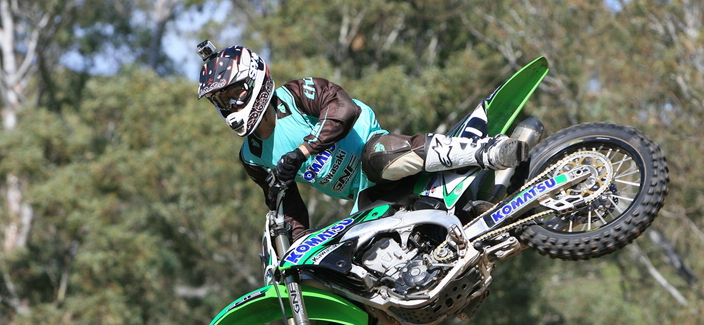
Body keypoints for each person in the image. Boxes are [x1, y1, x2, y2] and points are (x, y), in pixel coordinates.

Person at [196, 40, 528, 241]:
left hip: (378, 150)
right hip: (363, 195)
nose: (230, 106)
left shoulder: (296, 94)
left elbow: (345, 109)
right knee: (364, 253)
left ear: (254, 79)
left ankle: (489, 151)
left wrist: (302, 151)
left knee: (378, 158)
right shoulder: (252, 157)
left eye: (234, 94)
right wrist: (299, 246)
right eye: (221, 101)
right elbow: (287, 204)